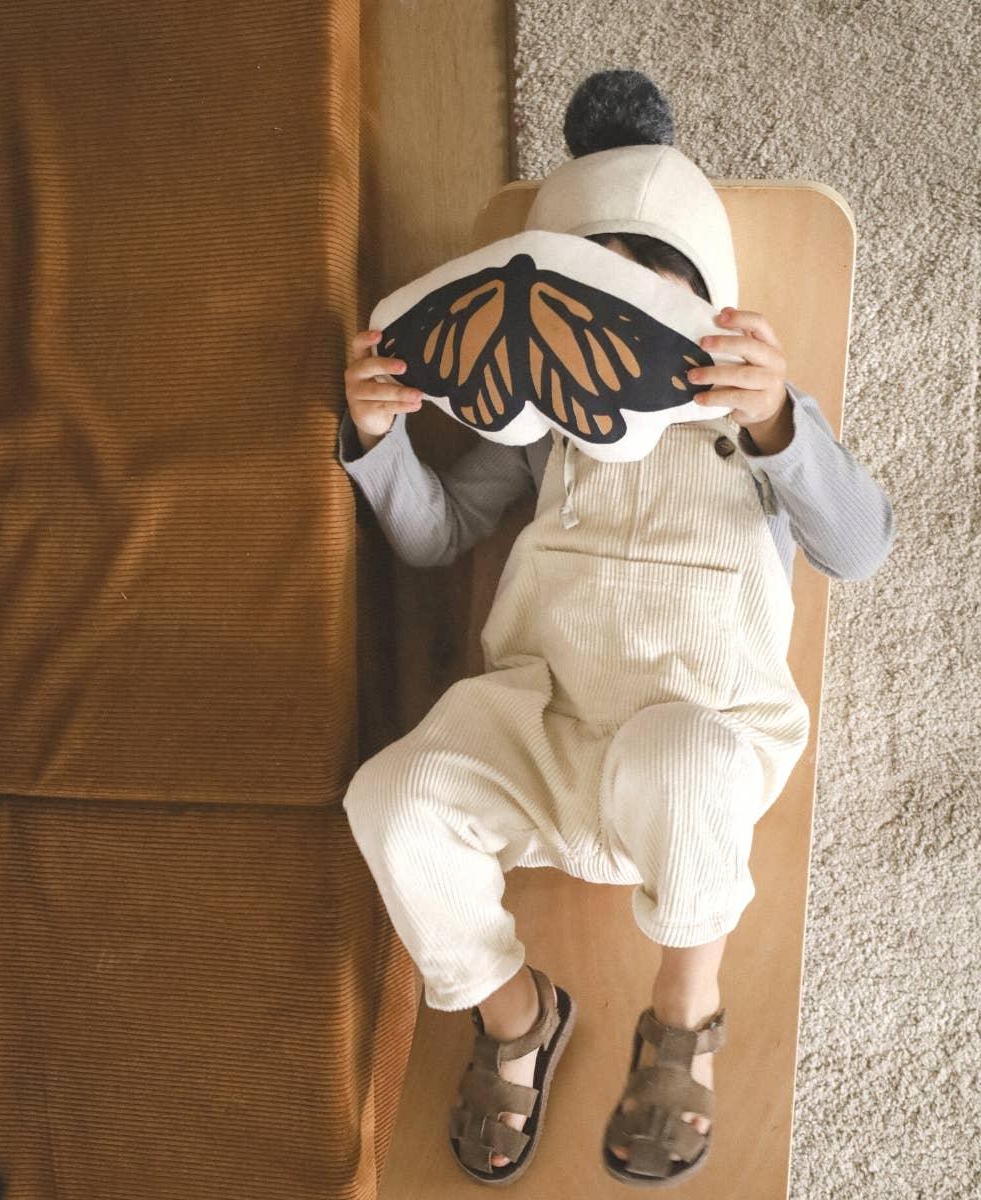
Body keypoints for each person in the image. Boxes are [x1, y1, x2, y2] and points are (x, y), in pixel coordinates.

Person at [337, 70, 895, 1187]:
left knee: (683, 762)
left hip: (695, 727)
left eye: (653, 290)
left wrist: (780, 419)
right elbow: (438, 537)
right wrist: (376, 439)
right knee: (387, 801)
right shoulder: (542, 432)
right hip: (540, 725)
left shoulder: (754, 422)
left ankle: (682, 1016)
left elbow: (860, 544)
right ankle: (515, 1013)